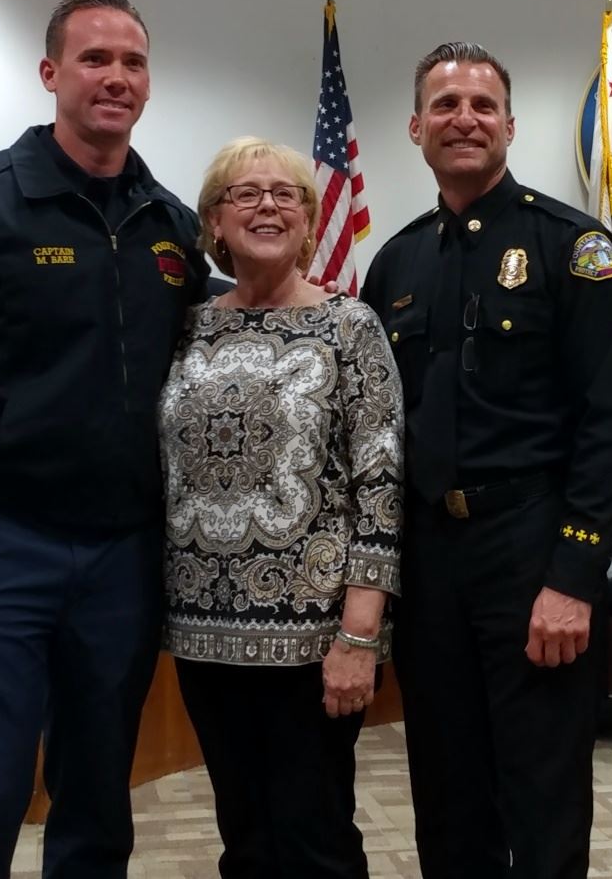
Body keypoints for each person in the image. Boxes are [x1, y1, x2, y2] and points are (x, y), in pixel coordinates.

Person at [0, 0, 211, 879]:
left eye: (132, 62)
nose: (115, 77)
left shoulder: (171, 226)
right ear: (51, 73)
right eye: (94, 59)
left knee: (97, 791)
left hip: (124, 554)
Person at [361, 42, 612, 879]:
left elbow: (606, 422)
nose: (464, 119)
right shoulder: (396, 261)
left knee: (542, 791)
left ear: (509, 126)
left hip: (530, 548)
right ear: (415, 127)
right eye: (444, 105)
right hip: (428, 557)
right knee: (446, 791)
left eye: (482, 105)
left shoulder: (571, 246)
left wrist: (574, 577)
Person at [160, 136, 403, 879]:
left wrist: (358, 636)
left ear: (308, 219)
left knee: (315, 837)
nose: (266, 206)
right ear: (213, 221)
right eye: (245, 193)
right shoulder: (187, 326)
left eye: (285, 194)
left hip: (314, 639)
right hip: (202, 633)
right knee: (244, 838)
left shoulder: (349, 326)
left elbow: (381, 484)